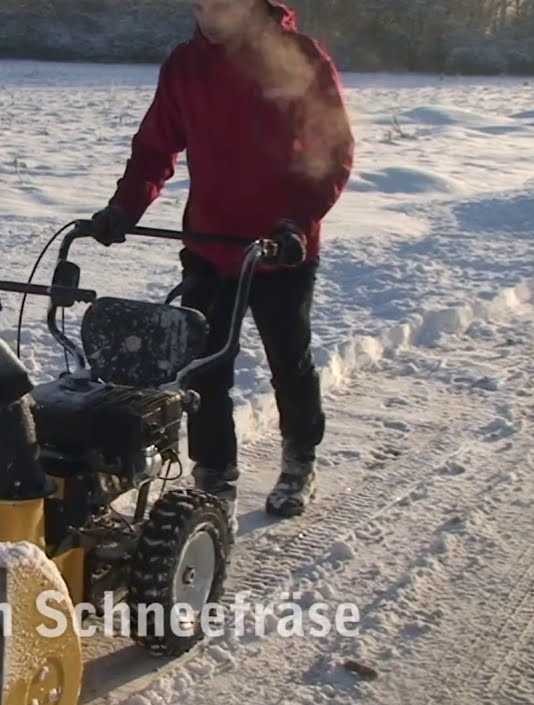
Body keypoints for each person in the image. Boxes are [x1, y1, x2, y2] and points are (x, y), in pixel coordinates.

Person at [87, 0, 354, 518]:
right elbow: (155, 147)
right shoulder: (186, 65)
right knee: (203, 369)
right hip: (211, 245)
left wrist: (297, 221)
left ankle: (300, 460)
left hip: (281, 249)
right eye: (203, 2)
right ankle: (213, 478)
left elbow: (332, 148)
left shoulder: (298, 57)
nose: (210, 12)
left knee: (288, 361)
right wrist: (124, 207)